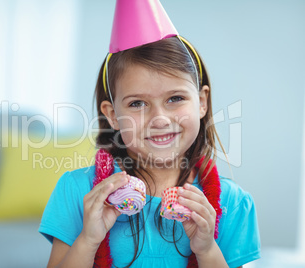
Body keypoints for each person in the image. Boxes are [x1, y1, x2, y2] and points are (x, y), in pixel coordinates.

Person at [39, 1, 261, 267]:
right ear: (112, 115)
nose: (159, 119)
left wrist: (207, 249)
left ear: (201, 102)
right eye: (137, 104)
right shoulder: (78, 192)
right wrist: (88, 239)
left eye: (175, 98)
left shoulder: (232, 203)